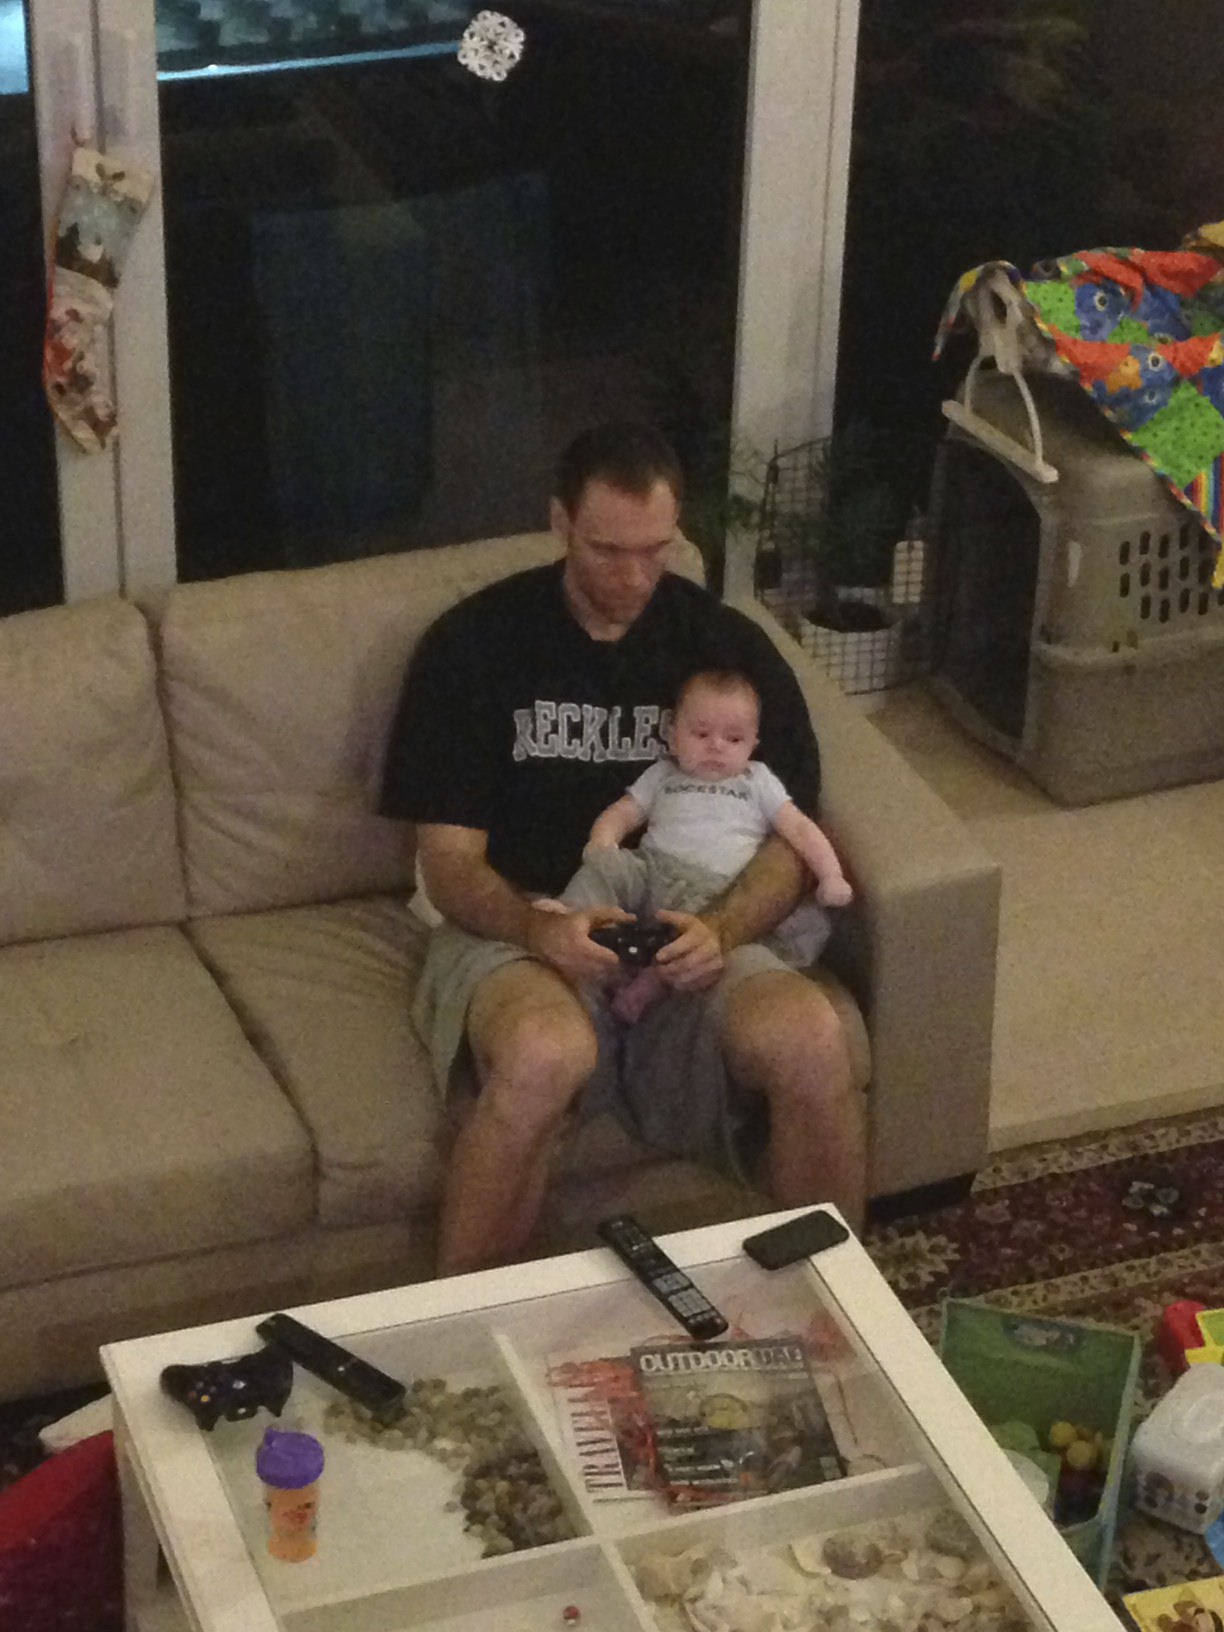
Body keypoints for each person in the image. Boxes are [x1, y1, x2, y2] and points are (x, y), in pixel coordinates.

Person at [380, 421, 866, 1275]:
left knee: (812, 1037)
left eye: (656, 551)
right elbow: (448, 864)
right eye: (608, 551)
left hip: (691, 918)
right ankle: (466, 1324)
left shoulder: (725, 648)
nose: (636, 578)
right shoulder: (475, 646)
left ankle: (838, 1311)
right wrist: (539, 930)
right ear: (561, 523)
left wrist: (720, 930)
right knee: (544, 1053)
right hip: (527, 919)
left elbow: (791, 842)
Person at [542, 667, 853, 1023]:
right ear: (673, 737)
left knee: (691, 941)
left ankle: (649, 985)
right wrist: (602, 844)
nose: (716, 746)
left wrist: (830, 875)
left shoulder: (758, 782)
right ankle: (568, 911)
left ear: (753, 746)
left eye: (733, 739)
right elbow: (623, 812)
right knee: (610, 868)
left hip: (715, 887)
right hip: (651, 866)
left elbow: (799, 828)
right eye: (701, 733)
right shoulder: (662, 774)